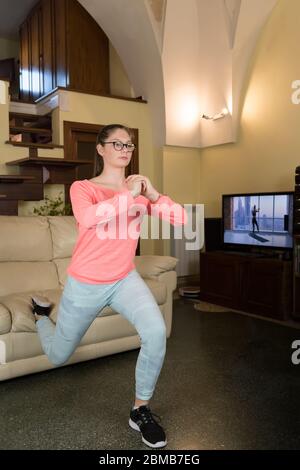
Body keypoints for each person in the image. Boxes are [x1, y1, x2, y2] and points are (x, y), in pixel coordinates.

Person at [32, 124, 188, 449]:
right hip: (85, 284)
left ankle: (140, 409)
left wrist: (154, 195)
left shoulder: (140, 192)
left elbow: (184, 221)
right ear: (101, 149)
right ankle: (40, 317)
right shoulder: (83, 188)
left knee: (156, 332)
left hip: (123, 279)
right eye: (117, 143)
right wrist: (127, 195)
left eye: (129, 144)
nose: (125, 149)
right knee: (59, 355)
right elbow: (89, 219)